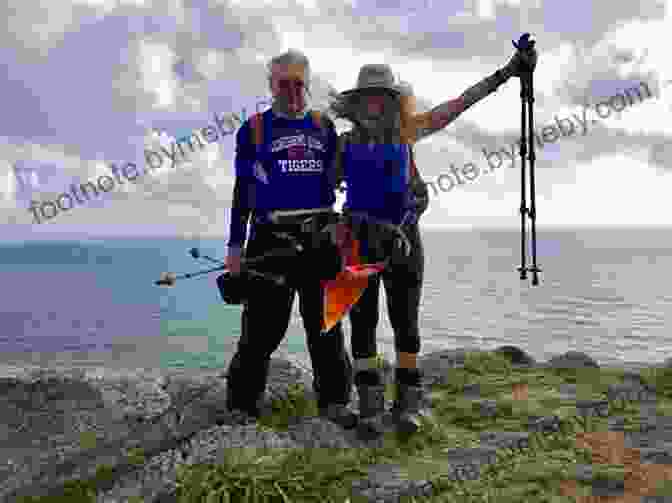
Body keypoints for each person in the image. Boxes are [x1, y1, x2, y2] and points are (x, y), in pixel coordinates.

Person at [331, 47, 538, 438]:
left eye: (382, 96)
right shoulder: (343, 145)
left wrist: (507, 71)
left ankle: (408, 404)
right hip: (359, 243)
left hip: (404, 241)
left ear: (392, 102)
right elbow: (318, 184)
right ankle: (370, 407)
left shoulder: (407, 132)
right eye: (368, 97)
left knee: (406, 324)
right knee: (362, 325)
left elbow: (458, 105)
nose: (374, 103)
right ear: (357, 103)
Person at [223, 49, 357, 428]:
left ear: (307, 85)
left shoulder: (324, 126)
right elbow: (242, 190)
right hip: (269, 237)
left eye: (299, 84)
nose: (293, 91)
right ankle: (242, 407)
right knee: (260, 330)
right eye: (284, 84)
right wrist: (235, 247)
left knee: (326, 327)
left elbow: (340, 177)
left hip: (320, 237)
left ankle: (334, 403)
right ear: (271, 86)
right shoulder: (254, 130)